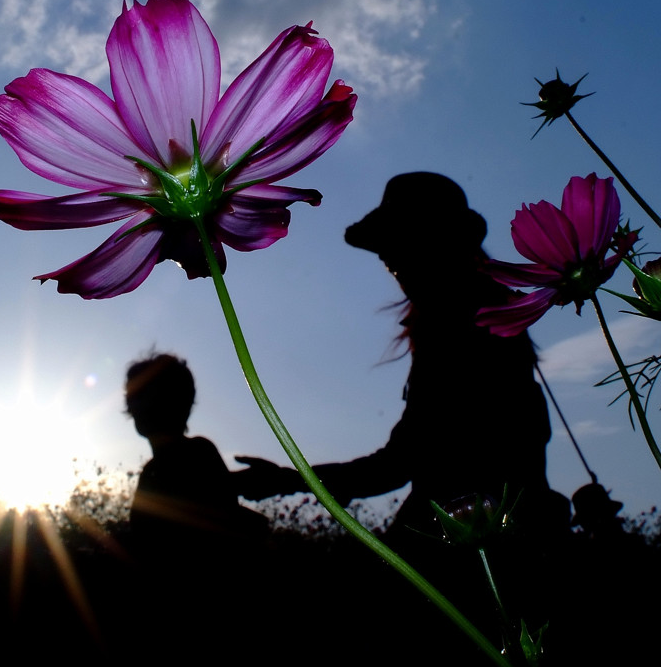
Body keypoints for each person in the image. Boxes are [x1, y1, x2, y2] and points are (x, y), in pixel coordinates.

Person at [235, 172, 569, 542]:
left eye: (403, 244)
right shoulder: (491, 323)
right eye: (387, 252)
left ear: (441, 244)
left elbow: (399, 463)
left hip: (474, 537)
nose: (392, 263)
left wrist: (286, 479)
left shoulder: (461, 332)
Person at [125, 352, 267, 556]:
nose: (138, 405)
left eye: (147, 395)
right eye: (135, 396)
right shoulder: (153, 471)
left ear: (177, 403)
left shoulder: (197, 454)